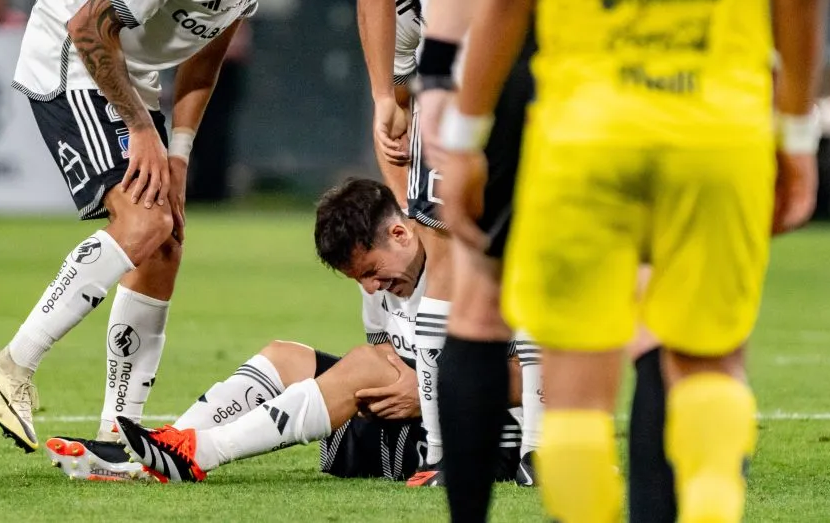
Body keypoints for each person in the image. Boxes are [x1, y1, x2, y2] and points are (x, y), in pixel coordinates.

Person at [442, 0, 825, 523]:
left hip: (581, 131)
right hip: (718, 125)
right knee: (708, 366)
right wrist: (797, 134)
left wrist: (467, 133)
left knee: (578, 396)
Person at [0, 0, 368, 454]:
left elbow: (209, 48)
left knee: (166, 237)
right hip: (72, 56)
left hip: (129, 71)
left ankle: (118, 433)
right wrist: (140, 129)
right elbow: (87, 26)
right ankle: (10, 365)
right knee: (145, 221)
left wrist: (177, 152)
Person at [103, 179, 523, 484]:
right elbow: (389, 361)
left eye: (372, 271)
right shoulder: (378, 290)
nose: (370, 287)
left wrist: (431, 389)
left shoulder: (481, 273)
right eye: (358, 279)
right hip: (403, 429)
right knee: (284, 355)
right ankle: (165, 451)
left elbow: (538, 381)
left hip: (478, 441)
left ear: (400, 233)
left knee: (363, 365)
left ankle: (205, 451)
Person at [358, 0, 544, 498]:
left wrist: (391, 91)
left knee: (452, 268)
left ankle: (442, 452)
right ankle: (541, 450)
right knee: (548, 264)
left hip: (464, 76)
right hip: (553, 73)